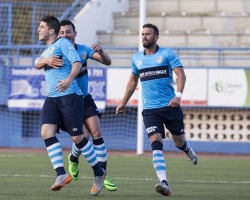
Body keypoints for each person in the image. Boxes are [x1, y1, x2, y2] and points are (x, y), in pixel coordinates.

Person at [115, 23, 198, 196]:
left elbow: (181, 74)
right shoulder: (137, 58)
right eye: (142, 34)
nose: (144, 37)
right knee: (155, 143)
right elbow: (132, 81)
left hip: (170, 106)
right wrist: (123, 101)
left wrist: (178, 96)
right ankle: (164, 182)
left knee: (179, 142)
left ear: (156, 37)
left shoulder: (167, 54)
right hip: (150, 109)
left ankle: (187, 150)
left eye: (148, 34)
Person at [35, 15, 105, 196]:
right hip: (52, 98)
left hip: (69, 96)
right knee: (46, 132)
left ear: (51, 30)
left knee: (78, 137)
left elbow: (76, 63)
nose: (38, 30)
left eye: (41, 27)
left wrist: (68, 80)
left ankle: (99, 173)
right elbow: (36, 63)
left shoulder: (63, 44)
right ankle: (61, 174)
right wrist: (46, 61)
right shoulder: (49, 49)